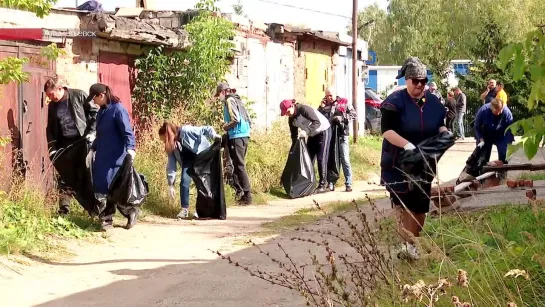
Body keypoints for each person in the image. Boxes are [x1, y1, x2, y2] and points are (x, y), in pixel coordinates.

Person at [380, 57, 448, 260]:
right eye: (415, 81)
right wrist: (407, 145)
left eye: (423, 81)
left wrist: (444, 134)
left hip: (424, 162)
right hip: (397, 161)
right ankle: (408, 244)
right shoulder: (394, 102)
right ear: (406, 80)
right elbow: (386, 131)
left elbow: (440, 124)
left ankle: (413, 243)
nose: (419, 85)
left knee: (419, 206)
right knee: (402, 204)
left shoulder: (434, 102)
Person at [85, 83, 138, 230]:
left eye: (94, 98)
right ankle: (110, 217)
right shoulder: (102, 111)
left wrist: (131, 148)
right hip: (102, 155)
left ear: (101, 95)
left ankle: (118, 215)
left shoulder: (118, 110)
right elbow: (101, 134)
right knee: (102, 186)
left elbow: (127, 132)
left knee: (112, 188)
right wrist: (92, 148)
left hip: (116, 157)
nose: (93, 101)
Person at [44, 76, 98, 215]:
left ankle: (95, 209)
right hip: (65, 143)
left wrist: (92, 132)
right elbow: (50, 128)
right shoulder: (52, 105)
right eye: (48, 95)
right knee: (64, 175)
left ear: (60, 89)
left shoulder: (78, 95)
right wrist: (52, 148)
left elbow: (94, 112)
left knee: (87, 175)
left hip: (82, 141)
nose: (50, 97)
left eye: (51, 94)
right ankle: (64, 209)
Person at [159, 122, 222, 219]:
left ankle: (200, 210)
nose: (164, 143)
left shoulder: (186, 130)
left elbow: (205, 128)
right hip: (188, 161)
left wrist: (214, 136)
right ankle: (184, 210)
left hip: (201, 157)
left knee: (202, 184)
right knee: (184, 181)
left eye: (164, 140)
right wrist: (170, 184)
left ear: (167, 136)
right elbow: (171, 165)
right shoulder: (172, 146)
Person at [280, 99, 331, 194]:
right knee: (308, 158)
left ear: (292, 106)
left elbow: (317, 122)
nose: (287, 114)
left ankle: (323, 184)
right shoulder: (291, 119)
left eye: (287, 111)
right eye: (285, 113)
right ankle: (309, 184)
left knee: (321, 158)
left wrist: (305, 131)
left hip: (323, 130)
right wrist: (294, 150)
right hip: (312, 134)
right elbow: (294, 137)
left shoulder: (303, 109)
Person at [215, 82, 253, 205]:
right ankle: (241, 192)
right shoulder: (237, 99)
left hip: (237, 135)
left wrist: (225, 127)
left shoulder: (229, 100)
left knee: (239, 165)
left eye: (219, 94)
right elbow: (248, 118)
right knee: (238, 165)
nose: (219, 97)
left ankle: (247, 195)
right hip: (244, 135)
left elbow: (235, 119)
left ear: (223, 92)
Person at [317, 88, 357, 192]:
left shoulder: (344, 102)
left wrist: (342, 119)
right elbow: (318, 118)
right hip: (330, 136)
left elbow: (354, 115)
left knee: (344, 158)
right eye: (327, 96)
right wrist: (321, 108)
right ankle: (331, 183)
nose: (329, 98)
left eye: (330, 95)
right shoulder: (324, 105)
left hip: (342, 134)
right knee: (332, 159)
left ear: (335, 94)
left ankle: (348, 183)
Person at [474, 98, 514, 165]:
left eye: (500, 111)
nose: (498, 113)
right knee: (483, 155)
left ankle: (502, 172)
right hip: (486, 134)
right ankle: (483, 171)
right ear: (491, 108)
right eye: (496, 111)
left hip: (501, 134)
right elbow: (477, 126)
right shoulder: (483, 110)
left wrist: (508, 143)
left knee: (504, 154)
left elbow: (510, 129)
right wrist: (481, 139)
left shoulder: (507, 113)